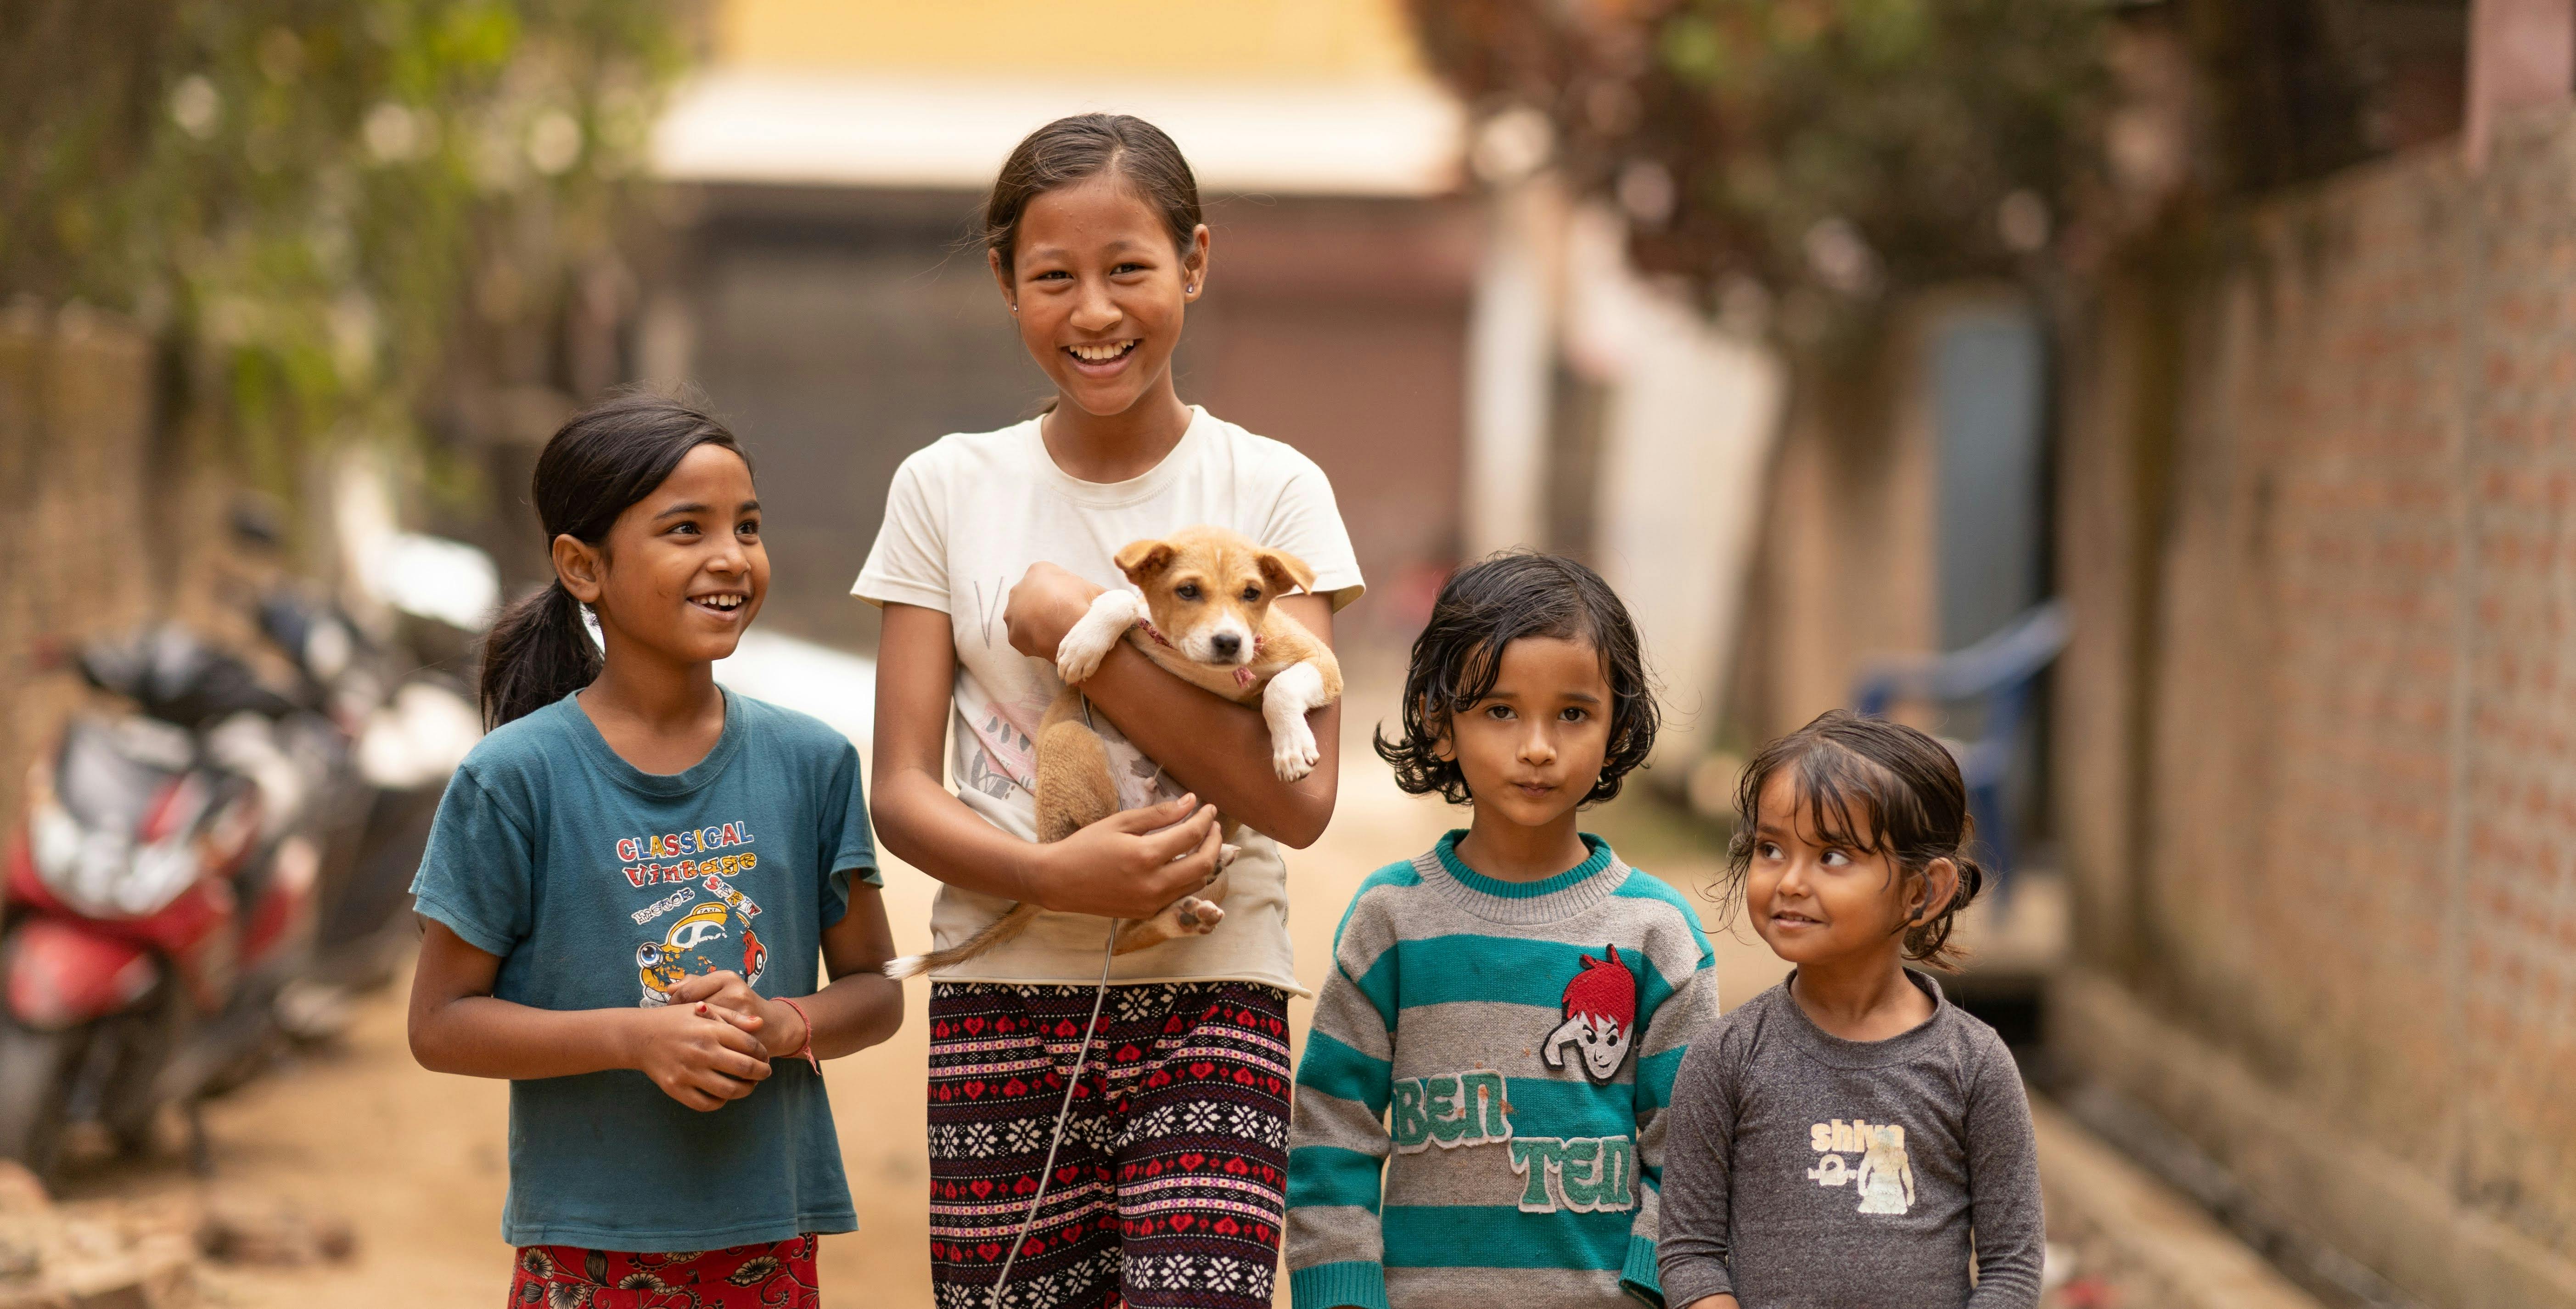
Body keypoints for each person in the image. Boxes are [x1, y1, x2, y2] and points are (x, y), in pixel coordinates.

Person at [854, 113, 1364, 1309]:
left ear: (1193, 261)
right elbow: (901, 790)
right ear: (1004, 282)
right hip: (1000, 996)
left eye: (1128, 267)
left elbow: (1298, 798)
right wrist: (1058, 879)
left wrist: (1088, 627)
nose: (1094, 310)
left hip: (1213, 985)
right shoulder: (944, 488)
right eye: (1054, 277)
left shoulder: (1273, 489)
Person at [406, 393, 903, 1308]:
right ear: (582, 566)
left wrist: (783, 1023)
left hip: (770, 1233)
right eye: (686, 528)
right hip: (585, 1244)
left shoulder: (813, 762)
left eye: (746, 526)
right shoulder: (513, 778)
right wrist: (635, 1037)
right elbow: (439, 1023)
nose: (730, 556)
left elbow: (875, 990)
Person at [1283, 552, 1719, 1309]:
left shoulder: (1658, 934)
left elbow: (1686, 1151)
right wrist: (1342, 1294)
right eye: (1500, 710)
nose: (1539, 746)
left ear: (1618, 731)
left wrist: (1654, 1288)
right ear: (1439, 724)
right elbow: (1333, 1132)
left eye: (1574, 713)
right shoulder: (1392, 920)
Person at [1656, 710, 2044, 1309]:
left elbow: (2012, 1266)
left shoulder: (1974, 1066)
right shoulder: (1727, 1057)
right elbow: (1689, 1252)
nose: (1789, 881)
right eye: (1770, 848)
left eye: (1833, 856)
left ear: (1923, 891)